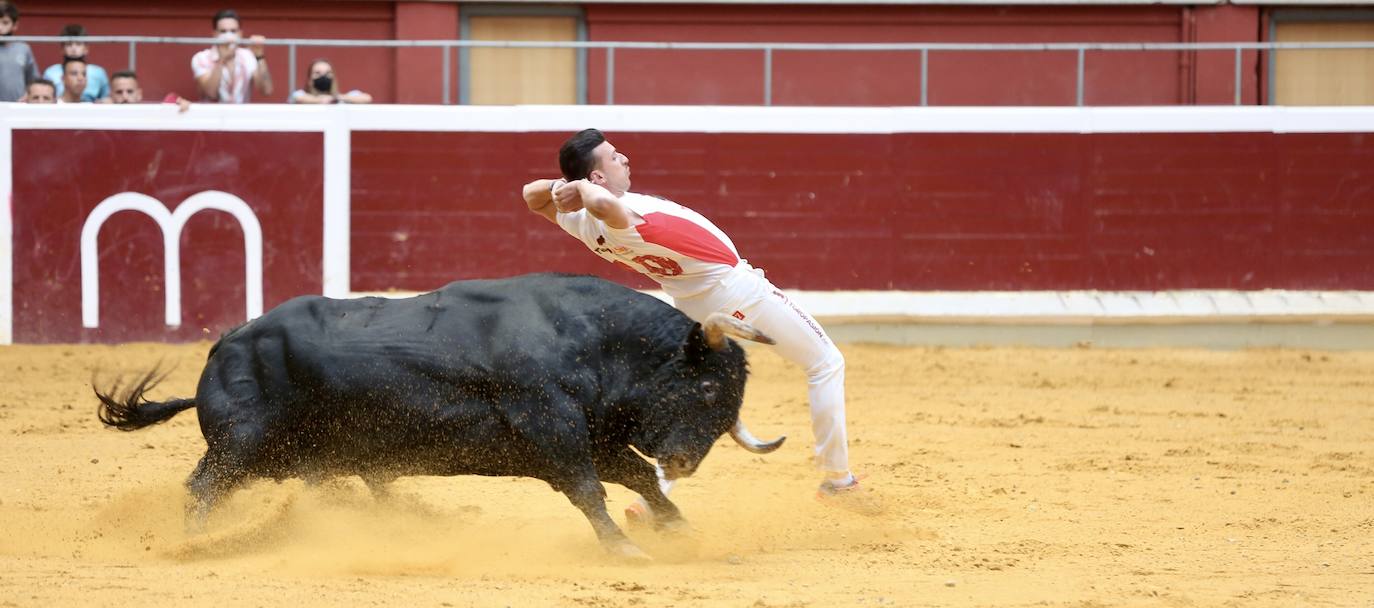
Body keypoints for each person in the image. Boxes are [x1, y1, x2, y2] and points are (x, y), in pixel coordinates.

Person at [521, 129, 880, 522]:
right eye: (613, 157)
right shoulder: (619, 215)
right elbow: (604, 205)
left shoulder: (581, 226)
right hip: (739, 293)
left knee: (694, 403)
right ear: (597, 179)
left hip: (691, 304)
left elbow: (530, 194)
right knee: (825, 362)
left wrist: (562, 188)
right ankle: (838, 479)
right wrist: (582, 190)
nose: (624, 159)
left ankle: (652, 496)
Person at [191, 8, 272, 103]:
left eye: (233, 31)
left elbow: (267, 90)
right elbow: (211, 93)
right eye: (223, 31)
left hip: (240, 116)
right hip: (211, 116)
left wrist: (259, 56)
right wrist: (221, 60)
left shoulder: (247, 56)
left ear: (240, 33)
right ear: (214, 34)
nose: (228, 36)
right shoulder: (201, 58)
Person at [41, 24, 109, 102]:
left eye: (78, 44)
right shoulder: (51, 72)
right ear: (62, 48)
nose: (74, 49)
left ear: (86, 48)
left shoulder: (98, 72)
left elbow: (105, 98)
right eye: (69, 44)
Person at [0, 1, 39, 102]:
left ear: (15, 25)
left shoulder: (23, 48)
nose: (0, 27)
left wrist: (27, 96)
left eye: (5, 22)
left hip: (17, 107)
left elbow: (34, 80)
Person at [288, 59, 371, 104]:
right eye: (317, 73)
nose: (323, 77)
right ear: (310, 79)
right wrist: (319, 100)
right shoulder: (300, 95)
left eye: (328, 73)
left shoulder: (341, 99)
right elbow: (297, 97)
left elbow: (367, 98)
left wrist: (337, 98)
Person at [109, 70, 191, 112]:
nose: (125, 97)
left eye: (130, 91)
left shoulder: (149, 113)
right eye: (119, 92)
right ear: (111, 95)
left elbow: (169, 100)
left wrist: (177, 101)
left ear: (139, 94)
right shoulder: (99, 111)